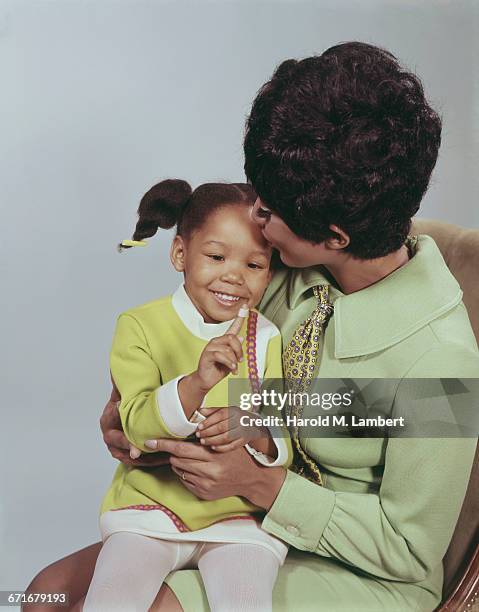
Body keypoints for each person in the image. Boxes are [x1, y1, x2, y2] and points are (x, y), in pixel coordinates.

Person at [25, 42, 479, 612]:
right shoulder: (289, 267)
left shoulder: (441, 360)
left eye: (268, 210)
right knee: (44, 593)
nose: (254, 216)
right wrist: (147, 415)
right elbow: (245, 389)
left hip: (361, 567)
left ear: (334, 236)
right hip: (239, 516)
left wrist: (260, 483)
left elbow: (410, 550)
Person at [82, 179, 293, 612]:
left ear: (269, 273)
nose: (234, 276)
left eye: (254, 265)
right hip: (148, 513)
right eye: (216, 257)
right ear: (180, 253)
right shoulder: (140, 325)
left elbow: (280, 435)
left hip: (238, 520)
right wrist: (197, 383)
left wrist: (253, 430)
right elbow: (135, 425)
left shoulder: (266, 337)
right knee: (111, 601)